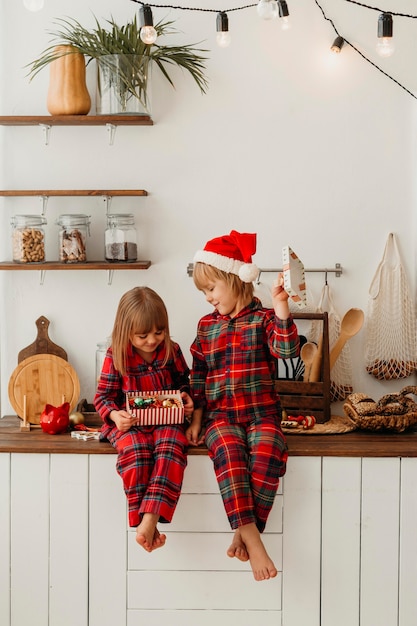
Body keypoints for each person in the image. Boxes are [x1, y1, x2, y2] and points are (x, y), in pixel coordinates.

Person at [186, 230, 299, 582]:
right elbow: (199, 379)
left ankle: (244, 533)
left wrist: (281, 307)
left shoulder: (264, 320)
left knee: (268, 450)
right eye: (203, 292)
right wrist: (196, 419)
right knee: (229, 456)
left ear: (235, 279)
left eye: (211, 289)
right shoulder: (206, 328)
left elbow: (286, 351)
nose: (207, 298)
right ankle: (254, 539)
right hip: (220, 418)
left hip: (261, 413)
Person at [94, 286, 193, 553]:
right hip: (129, 426)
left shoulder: (171, 350)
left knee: (172, 446)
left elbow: (186, 384)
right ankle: (147, 521)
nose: (152, 340)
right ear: (126, 331)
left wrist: (186, 397)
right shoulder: (116, 355)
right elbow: (102, 397)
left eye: (158, 332)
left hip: (166, 422)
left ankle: (147, 520)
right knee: (136, 453)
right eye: (143, 335)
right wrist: (115, 415)